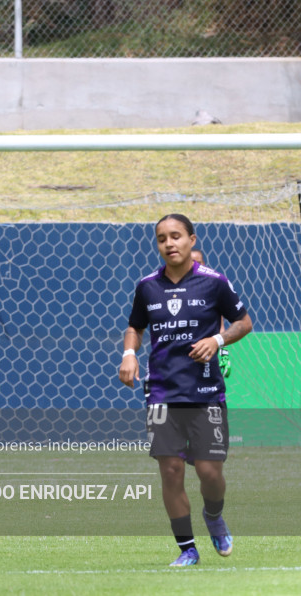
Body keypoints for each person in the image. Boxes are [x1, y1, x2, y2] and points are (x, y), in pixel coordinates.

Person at [119, 214, 253, 567]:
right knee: (171, 471)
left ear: (192, 240)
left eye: (176, 236)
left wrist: (217, 339)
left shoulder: (214, 282)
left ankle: (214, 516)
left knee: (210, 473)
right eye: (162, 238)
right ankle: (187, 549)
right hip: (162, 392)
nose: (169, 243)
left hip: (206, 392)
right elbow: (135, 326)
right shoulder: (147, 286)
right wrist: (129, 353)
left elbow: (244, 323)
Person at [191, 249, 231, 378]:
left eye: (199, 262)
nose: (196, 265)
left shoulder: (212, 286)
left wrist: (223, 352)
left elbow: (220, 325)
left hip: (206, 350)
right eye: (192, 262)